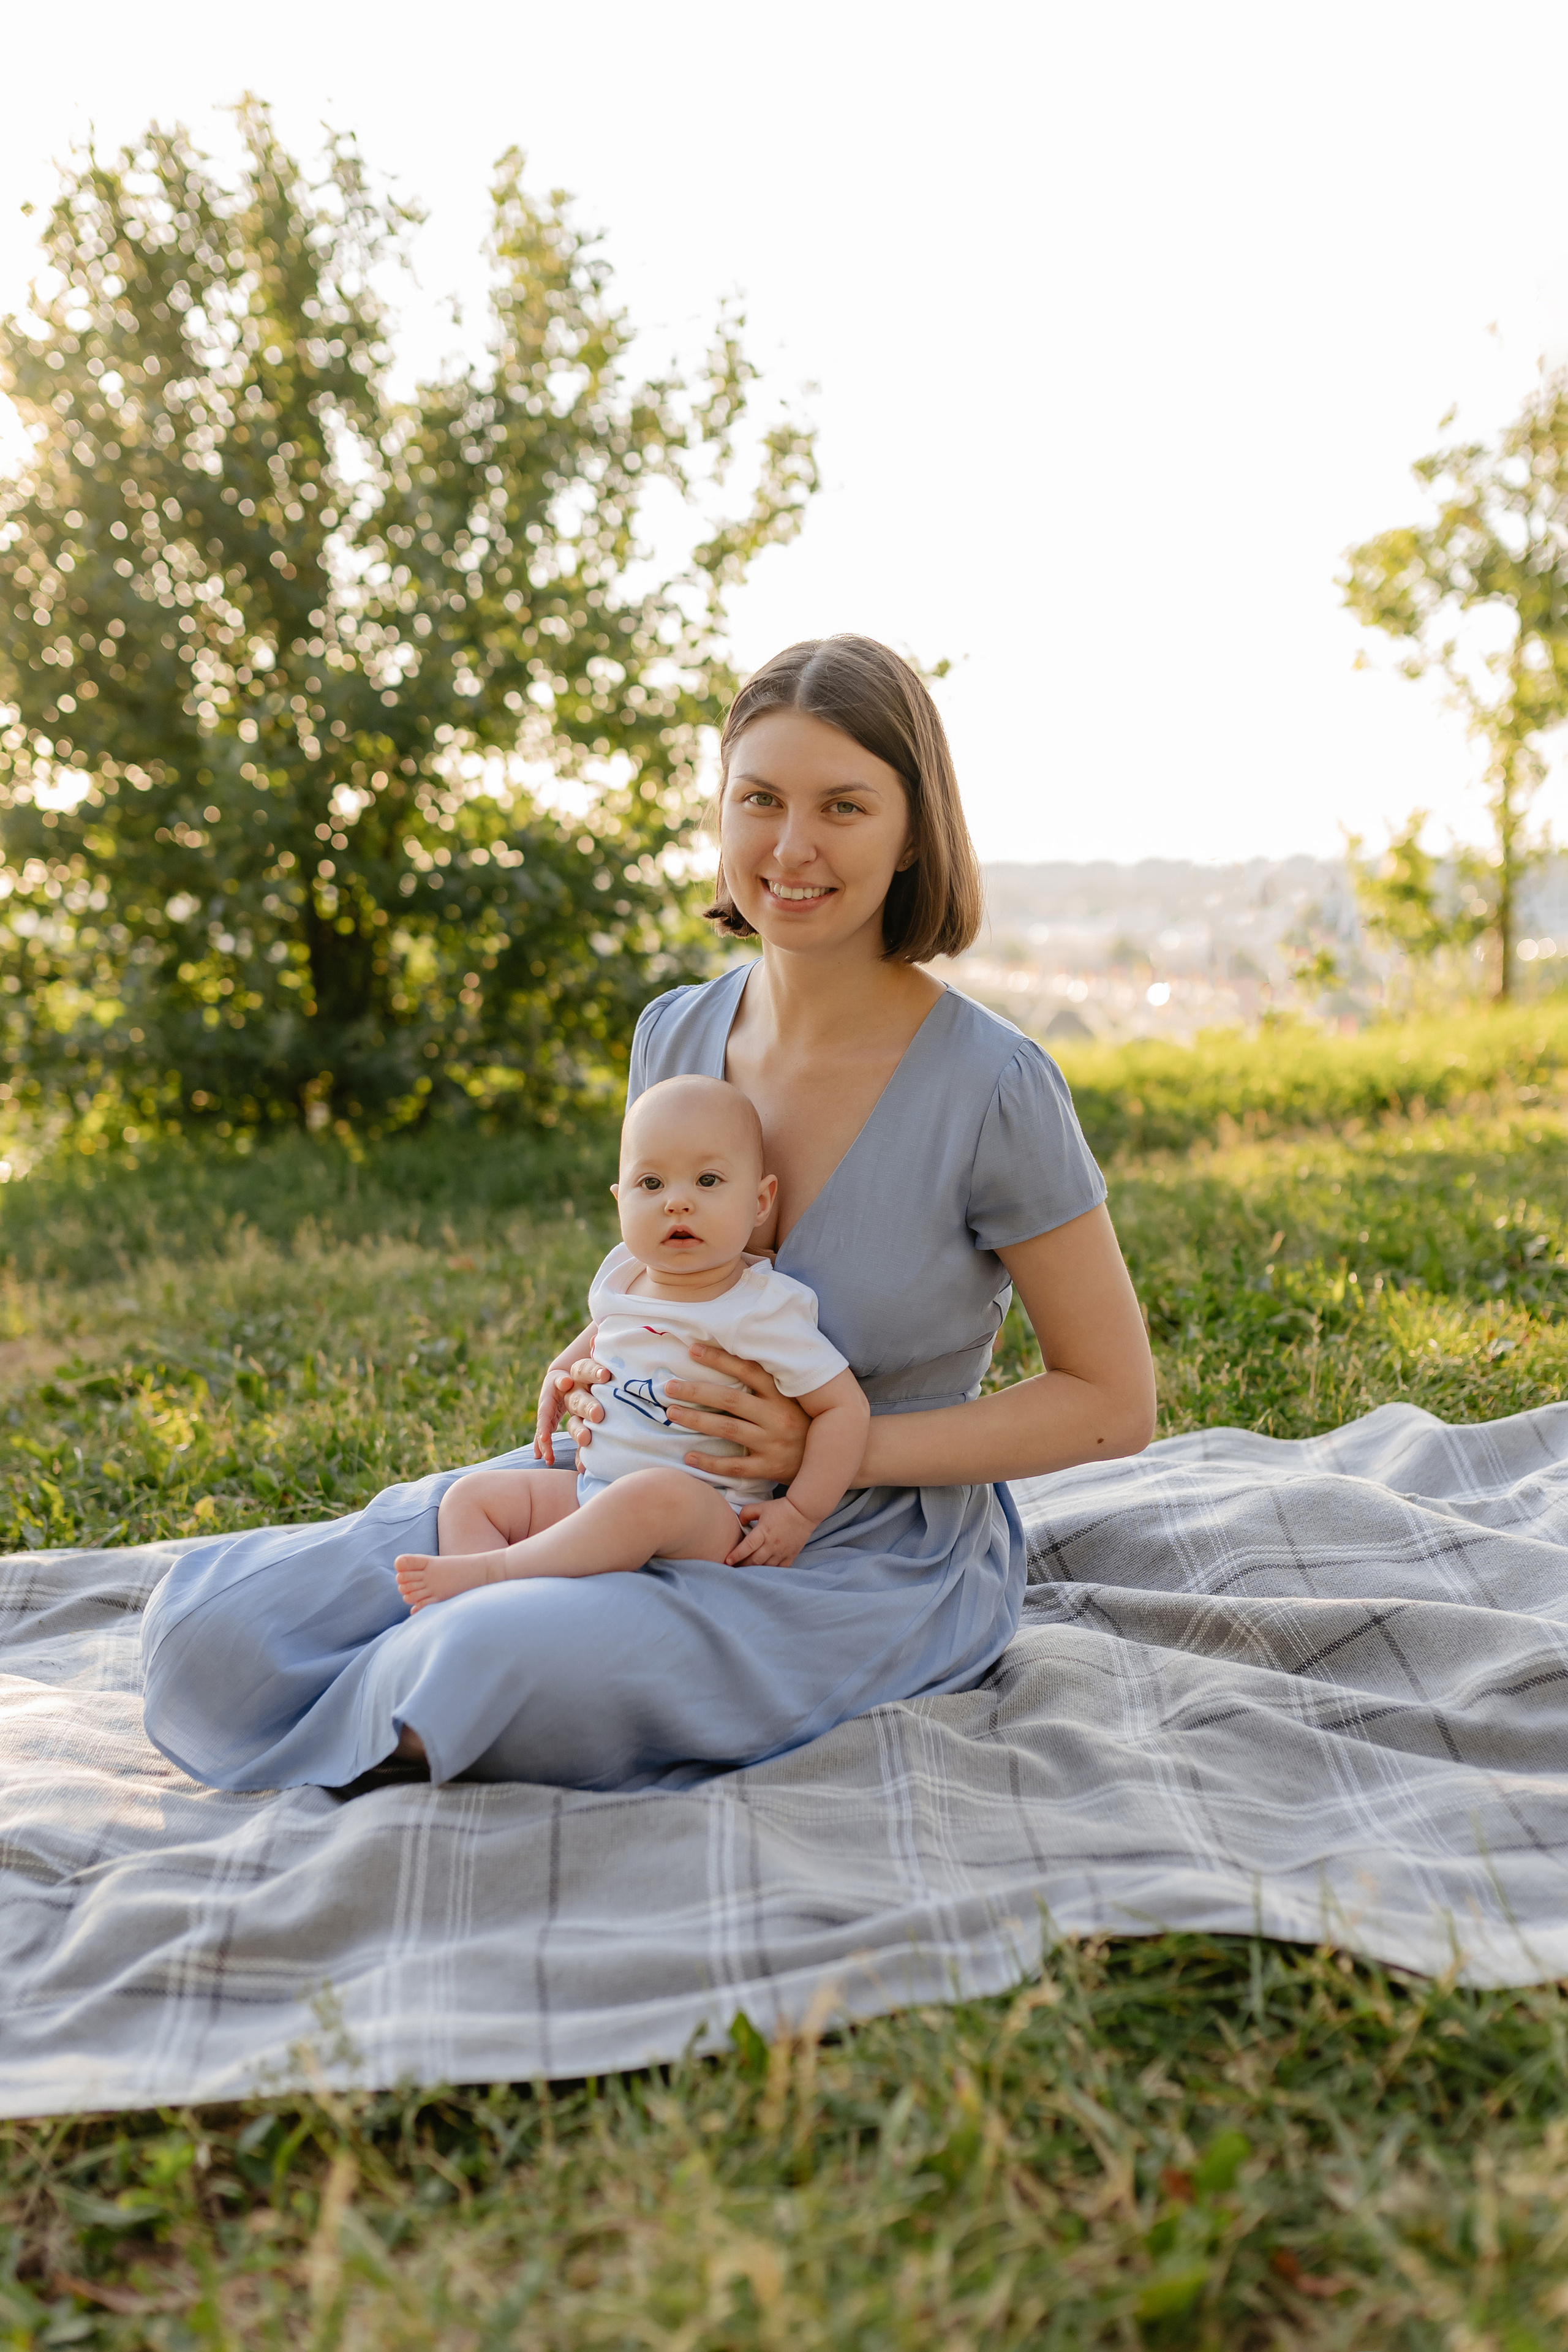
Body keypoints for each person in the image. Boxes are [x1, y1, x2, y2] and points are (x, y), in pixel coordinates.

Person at [140, 633, 1156, 1795]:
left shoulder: (995, 1084)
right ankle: (414, 1700)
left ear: (915, 832)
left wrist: (831, 1449)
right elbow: (683, 1270)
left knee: (479, 1658)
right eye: (760, 799)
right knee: (215, 1633)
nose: (792, 847)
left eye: (844, 806)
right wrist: (595, 1348)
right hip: (626, 1479)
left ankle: (435, 1698)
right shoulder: (675, 1035)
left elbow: (1112, 1403)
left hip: (858, 1546)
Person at [392, 1073, 869, 1608]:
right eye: (652, 1184)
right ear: (620, 1201)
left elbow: (844, 1409)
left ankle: (498, 1572)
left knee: (653, 1495)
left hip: (707, 1518)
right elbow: (604, 1328)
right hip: (595, 1493)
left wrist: (800, 1511)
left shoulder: (760, 1306)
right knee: (471, 1498)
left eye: (708, 1180)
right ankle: (481, 1615)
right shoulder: (625, 1273)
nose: (677, 1203)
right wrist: (559, 1373)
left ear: (760, 1202)